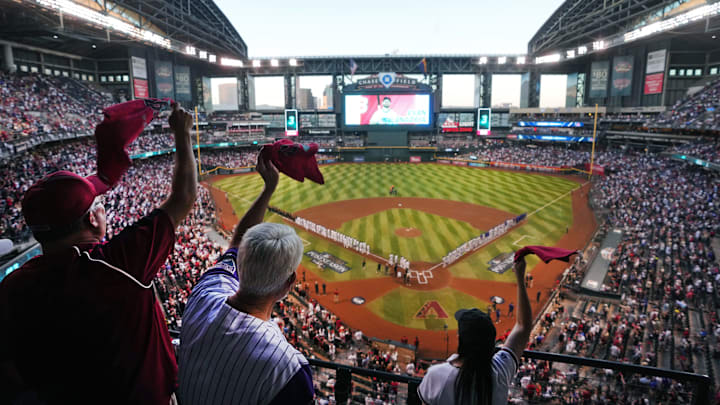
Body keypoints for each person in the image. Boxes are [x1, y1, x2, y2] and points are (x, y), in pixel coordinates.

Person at [0, 103, 197, 404]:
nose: (102, 206)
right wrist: (183, 135)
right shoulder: (119, 263)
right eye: (97, 205)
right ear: (92, 219)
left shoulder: (13, 286)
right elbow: (183, 197)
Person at [177, 153, 313, 405]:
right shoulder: (288, 368)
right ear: (288, 285)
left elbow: (238, 242)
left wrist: (268, 188)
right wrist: (271, 186)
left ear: (240, 263)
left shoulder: (205, 293)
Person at [418, 257, 531, 405]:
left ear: (460, 339)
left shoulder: (437, 375)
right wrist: (520, 279)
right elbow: (524, 327)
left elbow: (523, 328)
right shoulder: (500, 371)